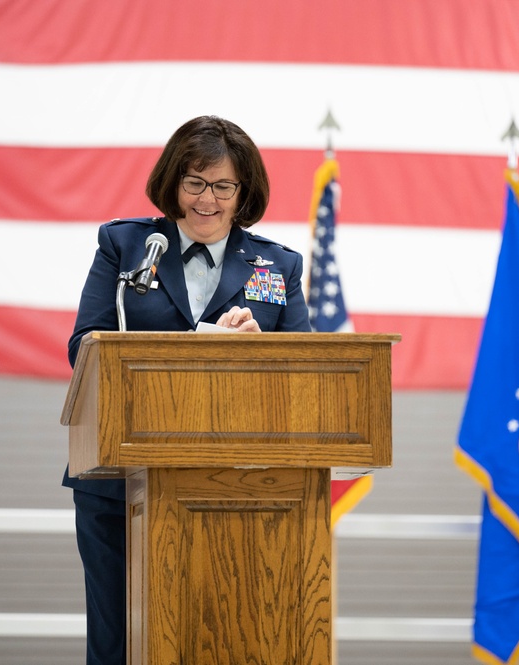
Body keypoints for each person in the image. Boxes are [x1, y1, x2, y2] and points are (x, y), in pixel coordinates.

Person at [64, 115, 311, 665]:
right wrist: (195, 344)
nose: (208, 199)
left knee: (224, 636)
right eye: (195, 183)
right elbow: (84, 348)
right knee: (117, 641)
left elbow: (306, 376)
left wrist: (259, 351)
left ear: (243, 192)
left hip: (240, 488)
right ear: (173, 183)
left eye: (224, 186)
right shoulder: (126, 245)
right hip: (118, 479)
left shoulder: (279, 265)